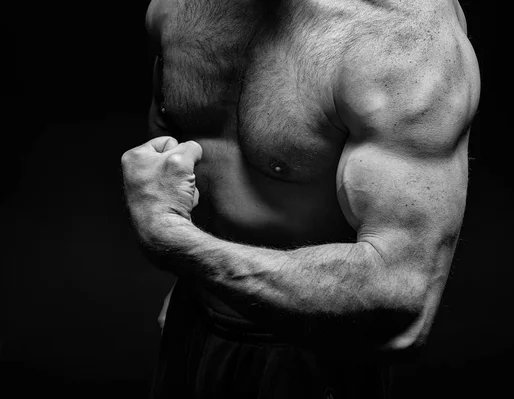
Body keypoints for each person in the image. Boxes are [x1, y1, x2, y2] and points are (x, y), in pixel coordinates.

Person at [121, 0, 480, 397]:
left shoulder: (404, 38)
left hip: (313, 353)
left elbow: (400, 302)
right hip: (191, 325)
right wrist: (191, 277)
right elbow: (177, 137)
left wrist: (177, 242)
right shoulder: (176, 8)